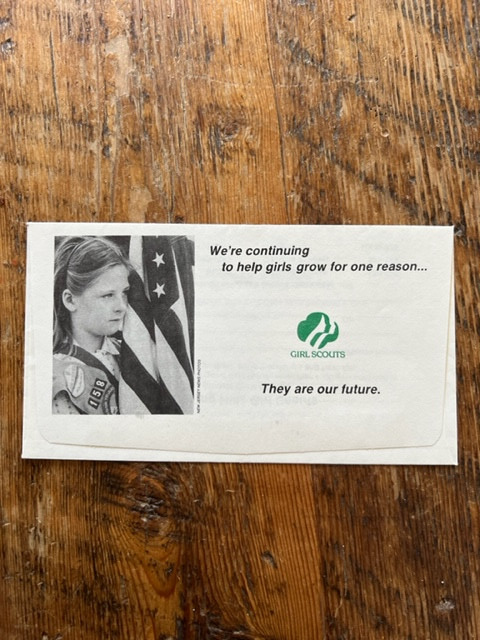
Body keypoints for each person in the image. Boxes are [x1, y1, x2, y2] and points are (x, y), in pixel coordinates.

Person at [52, 236, 131, 414]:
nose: (121, 307)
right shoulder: (56, 372)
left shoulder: (131, 354)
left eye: (125, 293)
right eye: (108, 295)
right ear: (70, 300)